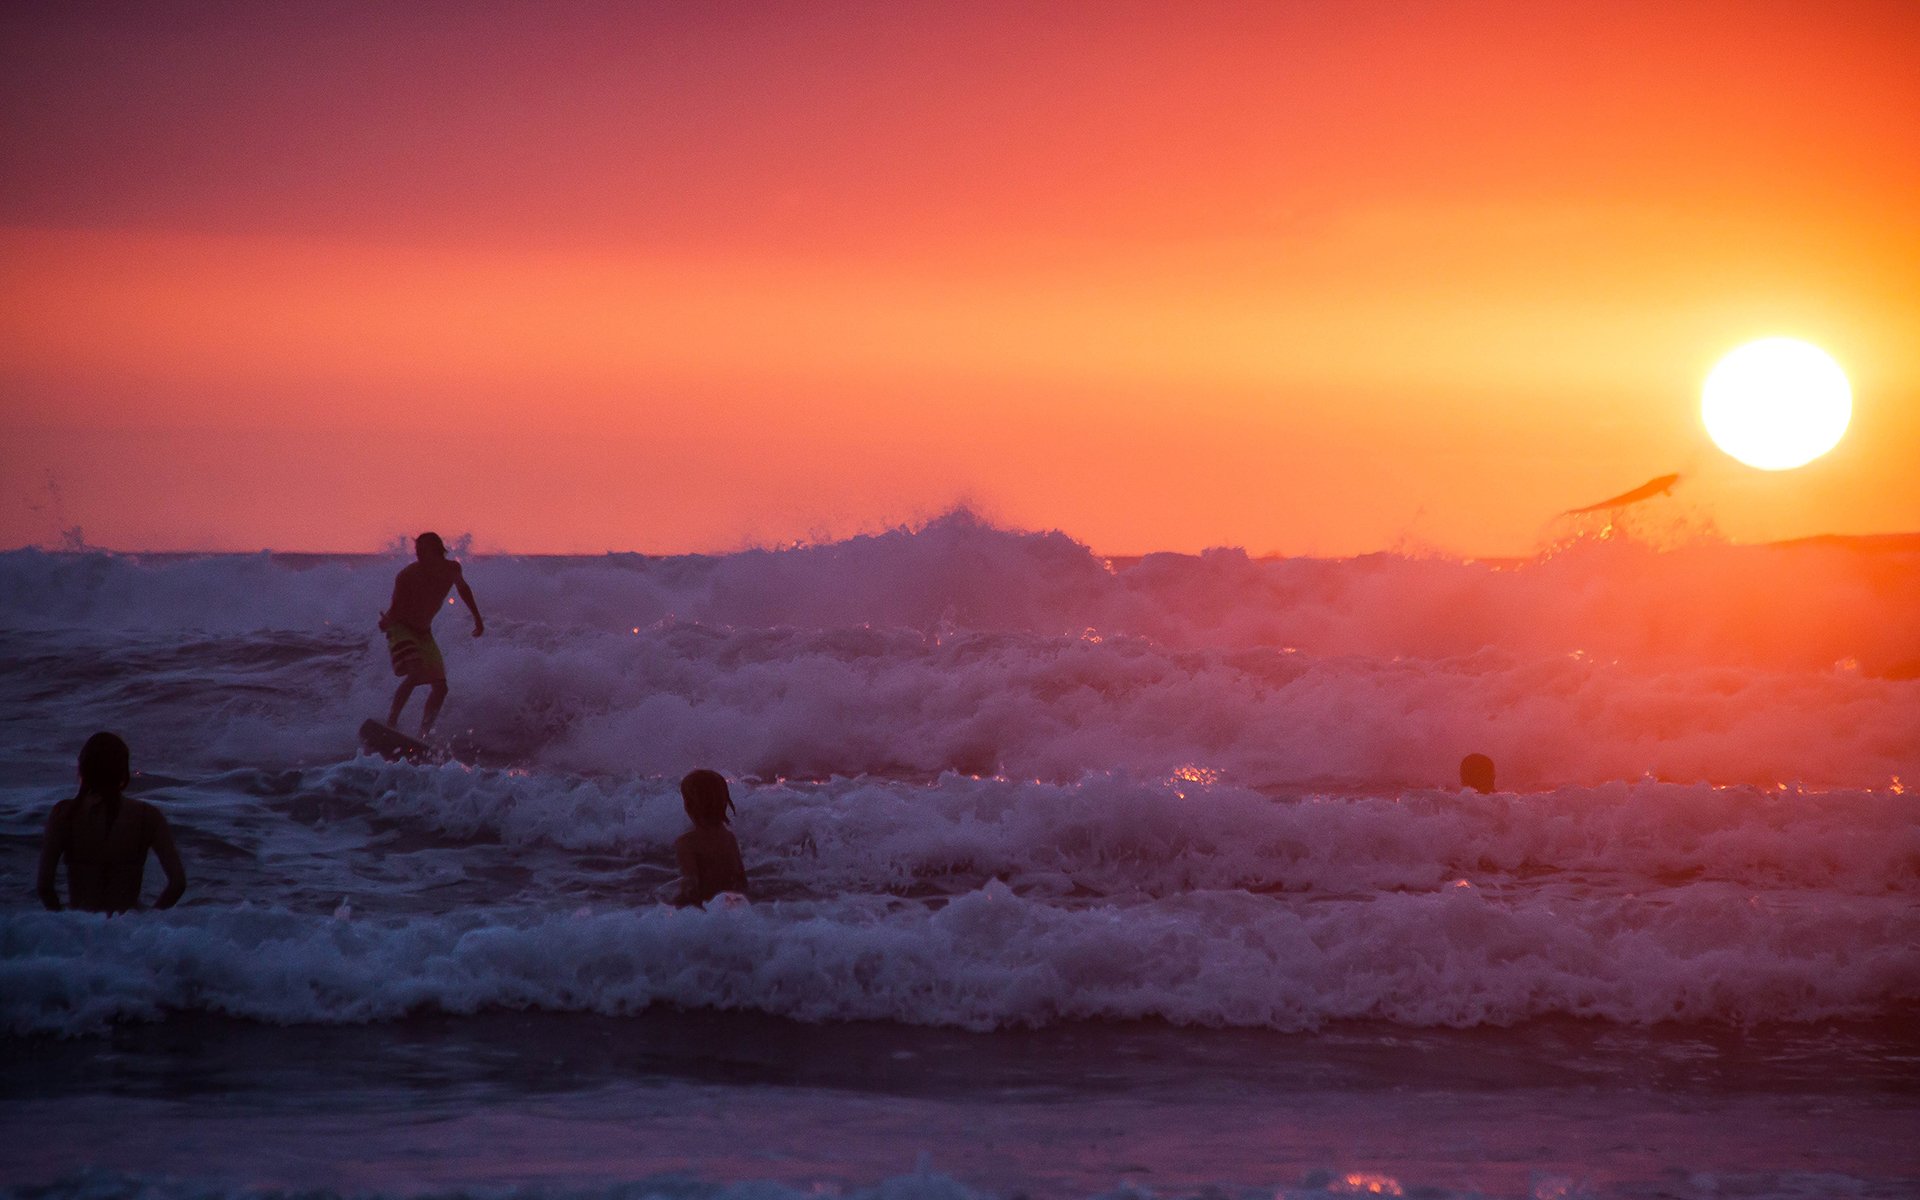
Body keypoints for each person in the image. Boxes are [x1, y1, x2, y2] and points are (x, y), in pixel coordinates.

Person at [37, 732, 187, 913]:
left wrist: (66, 927)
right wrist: (149, 922)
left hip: (82, 931)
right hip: (126, 933)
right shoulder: (148, 816)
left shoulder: (64, 814)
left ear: (83, 768)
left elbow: (44, 886)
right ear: (123, 770)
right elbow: (178, 883)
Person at [380, 531, 483, 736]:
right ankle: (390, 723)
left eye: (422, 551)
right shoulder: (407, 575)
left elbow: (463, 589)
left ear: (436, 551)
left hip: (424, 634)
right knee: (416, 672)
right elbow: (396, 606)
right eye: (416, 551)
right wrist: (386, 622)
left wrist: (477, 618)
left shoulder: (452, 569)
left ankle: (423, 734)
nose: (418, 555)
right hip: (401, 628)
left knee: (441, 687)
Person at [673, 769, 749, 908]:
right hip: (729, 912)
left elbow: (691, 889)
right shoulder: (729, 838)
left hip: (703, 916)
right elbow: (742, 883)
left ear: (689, 805)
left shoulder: (687, 843)